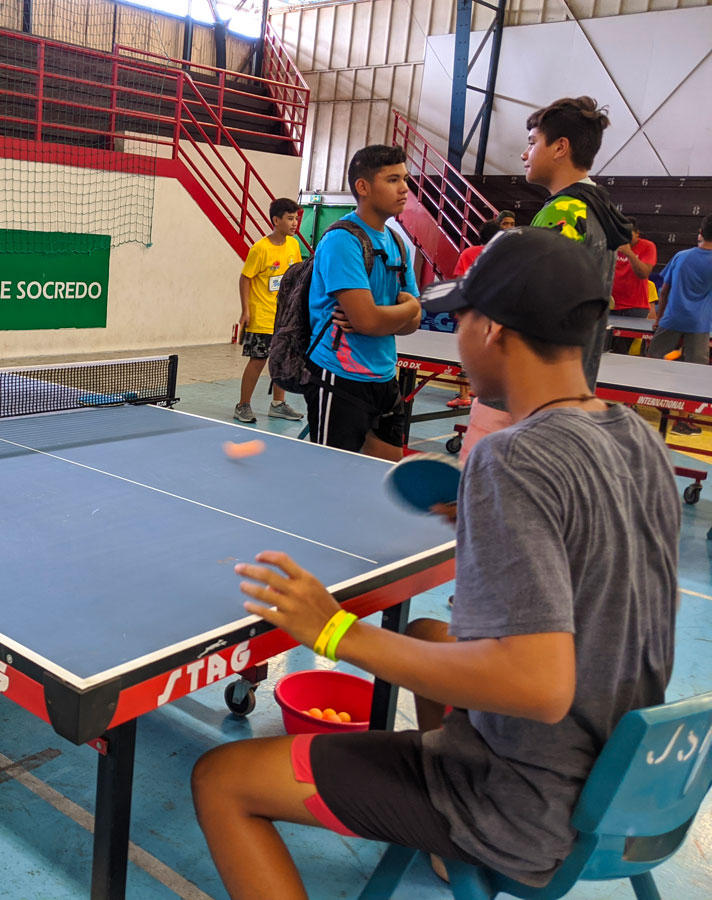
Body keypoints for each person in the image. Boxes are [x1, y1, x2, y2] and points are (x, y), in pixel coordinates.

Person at [191, 227, 679, 900]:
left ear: (494, 330)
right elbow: (594, 558)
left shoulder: (513, 458)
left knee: (220, 779)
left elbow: (537, 686)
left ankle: (458, 831)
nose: (456, 335)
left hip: (524, 801)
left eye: (463, 318)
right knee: (425, 633)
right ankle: (447, 855)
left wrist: (333, 630)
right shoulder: (635, 439)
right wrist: (491, 526)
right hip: (627, 785)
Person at [459, 96, 632, 460]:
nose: (524, 154)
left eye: (532, 142)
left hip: (522, 399)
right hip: (569, 390)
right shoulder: (598, 208)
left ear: (560, 147)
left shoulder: (564, 211)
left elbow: (535, 306)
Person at [301, 145, 422, 460]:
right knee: (331, 474)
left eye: (405, 179)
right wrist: (406, 308)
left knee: (384, 472)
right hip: (339, 376)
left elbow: (412, 323)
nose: (404, 188)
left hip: (384, 376)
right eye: (393, 180)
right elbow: (367, 321)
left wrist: (399, 314)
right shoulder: (342, 240)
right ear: (363, 187)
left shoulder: (396, 243)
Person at [235, 199, 305, 424]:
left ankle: (278, 404)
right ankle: (243, 405)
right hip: (263, 315)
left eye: (296, 218)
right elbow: (245, 278)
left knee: (283, 359)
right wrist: (245, 310)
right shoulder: (260, 249)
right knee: (258, 360)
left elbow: (296, 276)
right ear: (276, 220)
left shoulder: (293, 245)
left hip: (285, 316)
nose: (295, 223)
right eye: (290, 218)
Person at [646, 214, 712, 434]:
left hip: (671, 319)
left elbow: (664, 290)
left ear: (700, 233)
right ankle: (681, 420)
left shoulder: (681, 256)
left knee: (651, 363)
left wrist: (658, 319)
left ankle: (638, 406)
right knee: (694, 374)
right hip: (699, 324)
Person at [447, 219, 503, 409]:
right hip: (494, 315)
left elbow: (461, 284)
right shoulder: (503, 256)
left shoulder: (469, 253)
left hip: (471, 314)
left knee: (464, 356)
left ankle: (464, 396)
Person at [609, 216, 657, 353]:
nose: (623, 237)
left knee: (621, 349)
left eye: (628, 234)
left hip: (634, 306)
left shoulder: (648, 246)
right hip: (611, 303)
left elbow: (643, 273)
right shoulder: (612, 243)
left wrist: (629, 253)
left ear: (637, 233)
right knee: (605, 345)